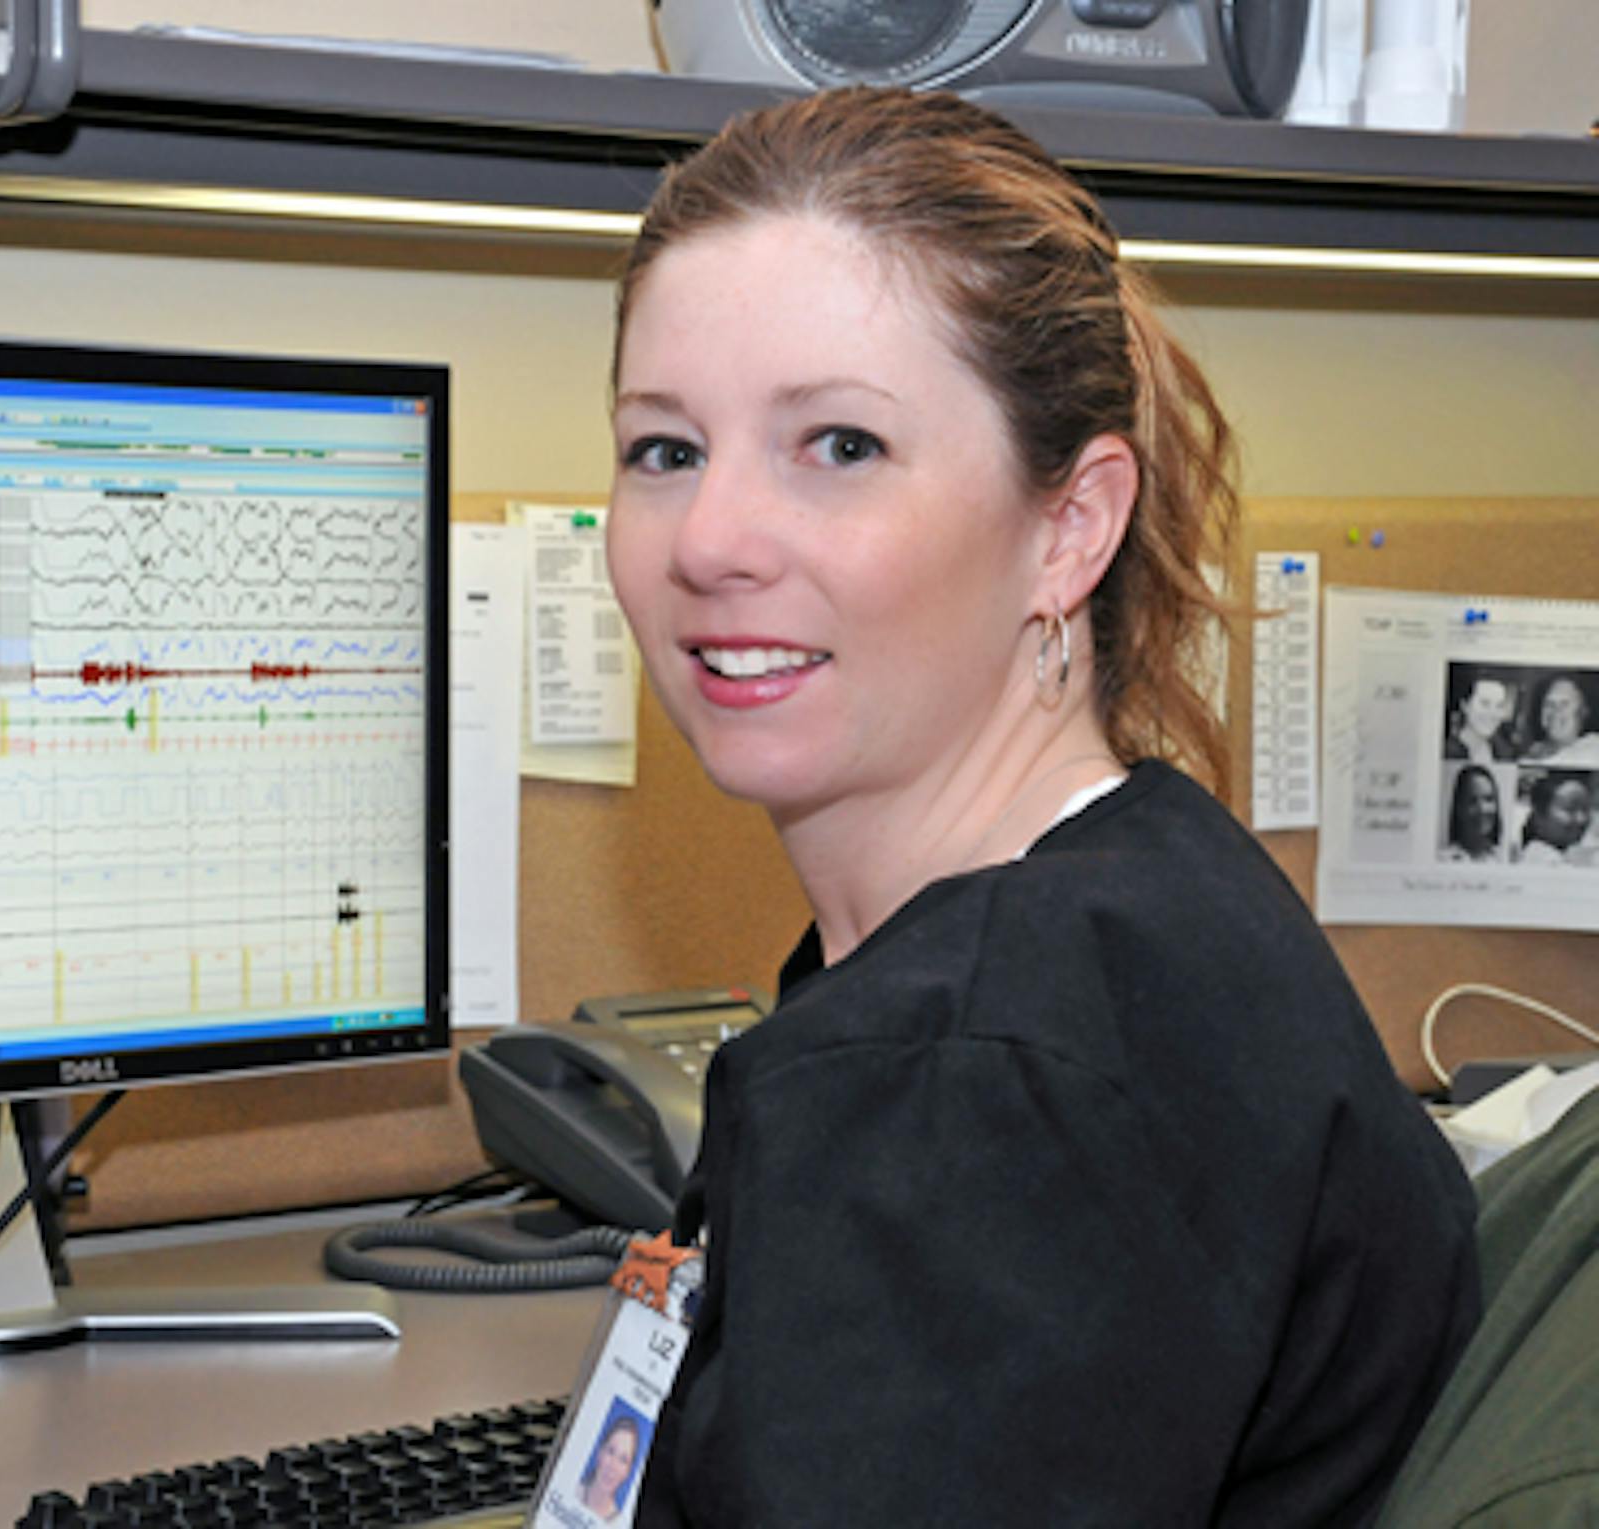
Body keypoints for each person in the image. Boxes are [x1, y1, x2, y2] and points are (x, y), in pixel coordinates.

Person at [605, 87, 1477, 1527]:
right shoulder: (1145, 886)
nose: (709, 540)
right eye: (666, 449)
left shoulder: (982, 1084)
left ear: (1069, 525)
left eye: (840, 445)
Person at [1517, 773, 1595, 866]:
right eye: (1570, 809)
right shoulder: (1541, 858)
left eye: (1585, 809)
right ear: (1539, 814)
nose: (1581, 818)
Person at [1523, 673, 1599, 766]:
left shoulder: (1593, 750)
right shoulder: (1531, 753)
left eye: (1564, 704)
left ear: (1581, 712)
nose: (1556, 710)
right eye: (1549, 704)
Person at [578, 1415, 642, 1520]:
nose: (613, 1466)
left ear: (627, 1472)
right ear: (600, 1453)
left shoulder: (619, 1523)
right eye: (611, 1451)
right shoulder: (572, 1490)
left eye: (623, 1460)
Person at [1444, 671, 1517, 761]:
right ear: (1465, 705)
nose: (1493, 713)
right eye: (1485, 703)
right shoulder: (1446, 752)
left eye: (1499, 705)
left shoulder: (1505, 752)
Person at [1441, 765, 1503, 862]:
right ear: (1459, 808)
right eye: (1472, 801)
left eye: (1488, 799)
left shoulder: (1504, 860)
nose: (1482, 809)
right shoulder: (1444, 861)